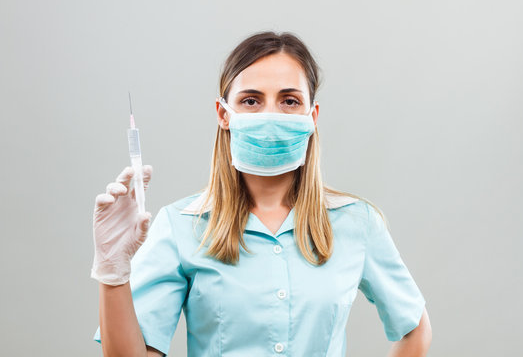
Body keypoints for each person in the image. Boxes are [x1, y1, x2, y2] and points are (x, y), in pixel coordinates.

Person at [91, 31, 432, 357]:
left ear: (312, 116)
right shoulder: (180, 228)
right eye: (251, 101)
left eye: (289, 101)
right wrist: (113, 273)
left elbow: (415, 330)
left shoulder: (358, 223)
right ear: (224, 114)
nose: (270, 115)